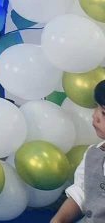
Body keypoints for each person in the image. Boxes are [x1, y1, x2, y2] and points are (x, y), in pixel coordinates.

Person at [52, 80, 105, 223]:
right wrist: (59, 219)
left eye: (103, 113)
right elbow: (82, 192)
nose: (95, 116)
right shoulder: (93, 153)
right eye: (96, 107)